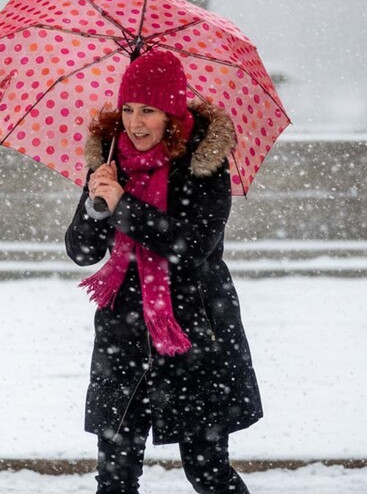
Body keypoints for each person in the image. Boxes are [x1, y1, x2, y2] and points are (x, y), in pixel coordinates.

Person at [65, 50, 263, 494]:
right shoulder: (109, 164)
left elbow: (192, 247)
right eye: (129, 109)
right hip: (124, 336)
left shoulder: (204, 167)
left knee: (207, 473)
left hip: (193, 332)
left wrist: (124, 206)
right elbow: (81, 252)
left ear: (171, 114)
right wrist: (97, 204)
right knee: (114, 477)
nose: (135, 123)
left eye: (149, 111)